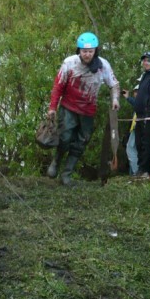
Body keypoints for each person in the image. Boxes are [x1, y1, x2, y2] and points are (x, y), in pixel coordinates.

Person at [46, 32, 120, 186]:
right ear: (78, 50)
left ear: (95, 51)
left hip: (88, 110)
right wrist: (52, 107)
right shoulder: (69, 63)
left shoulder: (103, 65)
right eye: (84, 51)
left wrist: (115, 99)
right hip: (68, 107)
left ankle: (67, 174)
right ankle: (56, 162)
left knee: (81, 142)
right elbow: (58, 86)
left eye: (90, 51)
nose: (87, 55)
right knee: (65, 138)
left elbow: (114, 84)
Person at [123, 85, 139, 175]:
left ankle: (136, 172)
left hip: (139, 128)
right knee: (133, 149)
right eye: (135, 91)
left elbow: (137, 103)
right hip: (134, 129)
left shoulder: (142, 101)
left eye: (137, 91)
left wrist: (128, 97)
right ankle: (133, 173)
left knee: (130, 148)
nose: (135, 93)